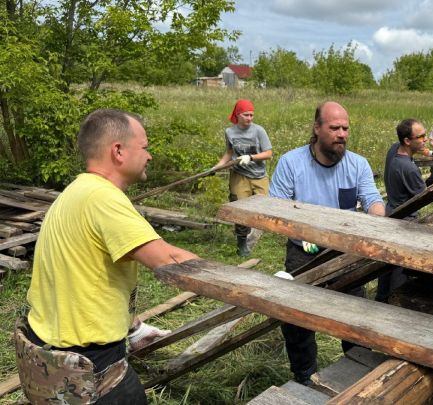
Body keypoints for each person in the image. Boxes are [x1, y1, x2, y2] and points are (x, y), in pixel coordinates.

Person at [17, 109, 198, 404]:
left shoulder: (76, 191)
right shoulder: (103, 198)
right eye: (144, 146)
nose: (149, 155)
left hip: (48, 353)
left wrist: (133, 325)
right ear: (118, 151)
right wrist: (243, 284)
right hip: (88, 364)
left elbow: (83, 279)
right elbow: (170, 260)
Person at [269, 101, 385, 386]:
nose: (342, 133)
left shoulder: (357, 164)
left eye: (345, 128)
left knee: (356, 317)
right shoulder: (291, 163)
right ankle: (305, 376)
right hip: (303, 254)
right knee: (297, 317)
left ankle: (357, 374)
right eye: (334, 128)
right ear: (317, 128)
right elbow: (275, 209)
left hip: (345, 254)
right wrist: (303, 233)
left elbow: (373, 201)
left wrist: (377, 219)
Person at [213, 99, 273, 256]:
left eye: (252, 115)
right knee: (240, 209)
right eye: (246, 115)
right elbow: (228, 153)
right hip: (239, 175)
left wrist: (251, 157)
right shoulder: (230, 132)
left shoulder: (259, 131)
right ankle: (242, 242)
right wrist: (217, 167)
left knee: (263, 208)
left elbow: (268, 154)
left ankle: (258, 234)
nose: (249, 118)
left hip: (258, 175)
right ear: (238, 115)